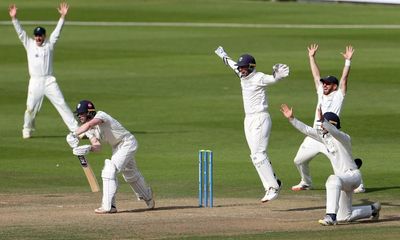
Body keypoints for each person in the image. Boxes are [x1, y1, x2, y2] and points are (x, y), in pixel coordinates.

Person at [280, 103, 380, 226]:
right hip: (342, 182)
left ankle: (330, 216)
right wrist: (291, 119)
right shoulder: (325, 139)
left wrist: (324, 121)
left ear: (331, 124)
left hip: (353, 176)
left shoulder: (344, 138)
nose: (321, 127)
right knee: (344, 217)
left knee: (332, 179)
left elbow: (334, 132)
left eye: (324, 124)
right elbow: (307, 130)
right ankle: (373, 209)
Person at [214, 46, 289, 202]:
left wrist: (279, 76)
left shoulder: (258, 77)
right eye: (240, 68)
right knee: (254, 156)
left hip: (260, 118)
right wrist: (223, 55)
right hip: (248, 119)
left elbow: (272, 79)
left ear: (251, 67)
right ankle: (273, 182)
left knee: (259, 154)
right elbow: (231, 64)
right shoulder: (242, 75)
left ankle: (273, 187)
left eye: (244, 68)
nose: (241, 70)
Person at [291, 44, 365, 194]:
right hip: (314, 134)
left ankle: (359, 184)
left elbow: (344, 79)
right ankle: (306, 182)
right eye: (324, 83)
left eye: (328, 83)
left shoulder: (339, 96)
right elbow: (316, 76)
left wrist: (348, 61)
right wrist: (311, 57)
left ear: (335, 86)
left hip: (330, 136)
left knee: (341, 165)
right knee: (298, 161)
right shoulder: (320, 92)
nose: (324, 85)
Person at [66, 100, 155, 214]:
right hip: (117, 147)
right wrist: (88, 148)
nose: (80, 116)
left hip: (127, 142)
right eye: (78, 114)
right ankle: (148, 197)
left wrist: (74, 134)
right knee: (130, 174)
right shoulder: (89, 130)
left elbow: (89, 124)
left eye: (82, 113)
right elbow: (97, 146)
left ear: (90, 112)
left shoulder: (101, 115)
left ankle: (108, 206)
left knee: (109, 169)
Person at [9, 2, 78, 139]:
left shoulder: (49, 44)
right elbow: (20, 33)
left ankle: (76, 129)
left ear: (44, 36)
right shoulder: (29, 44)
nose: (38, 38)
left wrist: (63, 17)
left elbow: (57, 32)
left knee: (62, 104)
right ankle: (27, 128)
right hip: (35, 81)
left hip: (49, 80)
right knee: (30, 108)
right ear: (34, 36)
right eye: (36, 35)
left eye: (40, 35)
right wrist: (14, 18)